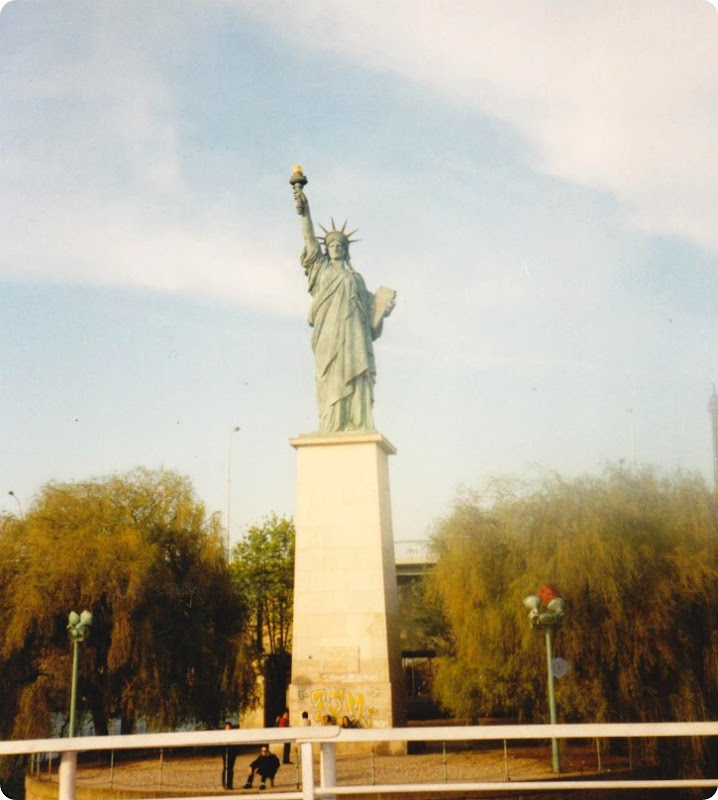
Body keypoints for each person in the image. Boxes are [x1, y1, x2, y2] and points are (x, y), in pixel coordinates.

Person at [291, 167, 396, 433]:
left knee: (356, 375)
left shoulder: (356, 279)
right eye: (331, 244)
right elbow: (307, 235)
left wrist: (383, 309)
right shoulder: (320, 269)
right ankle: (331, 422)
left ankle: (356, 421)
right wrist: (303, 204)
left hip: (354, 336)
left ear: (346, 250)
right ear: (326, 249)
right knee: (330, 377)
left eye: (340, 245)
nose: (336, 247)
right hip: (328, 335)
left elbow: (370, 320)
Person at [221, 721, 240, 790]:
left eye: (229, 727)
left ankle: (230, 784)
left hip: (232, 753)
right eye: (227, 727)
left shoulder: (233, 735)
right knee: (226, 768)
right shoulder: (223, 736)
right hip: (225, 753)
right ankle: (225, 784)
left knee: (231, 769)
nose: (228, 729)